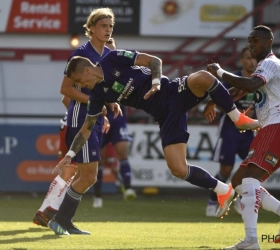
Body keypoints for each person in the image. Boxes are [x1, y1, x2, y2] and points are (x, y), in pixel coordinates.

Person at [48, 45, 260, 236]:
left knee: (204, 77)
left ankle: (237, 119)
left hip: (173, 91)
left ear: (86, 70)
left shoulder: (113, 58)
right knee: (178, 168)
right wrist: (69, 155)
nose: (79, 86)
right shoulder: (96, 95)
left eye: (77, 81)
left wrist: (156, 83)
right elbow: (86, 128)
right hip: (165, 116)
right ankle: (224, 190)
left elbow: (154, 61)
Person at [206, 25, 280, 249]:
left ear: (268, 42)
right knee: (239, 182)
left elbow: (249, 84)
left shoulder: (270, 63)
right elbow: (239, 91)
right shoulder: (264, 67)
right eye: (249, 41)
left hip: (278, 126)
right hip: (278, 128)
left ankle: (251, 241)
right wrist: (215, 99)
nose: (251, 45)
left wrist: (219, 72)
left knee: (249, 180)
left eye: (255, 40)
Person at [34, 8, 116, 235]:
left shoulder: (107, 53)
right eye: (103, 26)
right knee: (88, 176)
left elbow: (103, 90)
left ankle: (60, 219)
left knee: (82, 175)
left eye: (110, 26)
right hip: (81, 121)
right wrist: (96, 104)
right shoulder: (81, 54)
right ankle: (58, 219)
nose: (108, 30)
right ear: (90, 28)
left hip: (93, 120)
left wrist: (107, 107)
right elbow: (65, 90)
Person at [205, 46, 257, 217]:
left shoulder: (260, 80)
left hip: (250, 132)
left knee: (252, 167)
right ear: (241, 60)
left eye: (254, 58)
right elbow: (219, 98)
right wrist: (234, 112)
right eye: (248, 58)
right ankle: (213, 200)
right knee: (226, 170)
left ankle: (239, 197)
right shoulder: (233, 78)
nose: (251, 61)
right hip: (230, 129)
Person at [92, 38, 136, 208]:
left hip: (118, 117)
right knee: (100, 158)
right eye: (106, 50)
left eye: (112, 50)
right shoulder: (96, 69)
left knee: (122, 150)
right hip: (101, 117)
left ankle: (129, 187)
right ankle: (98, 196)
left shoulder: (124, 69)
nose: (109, 54)